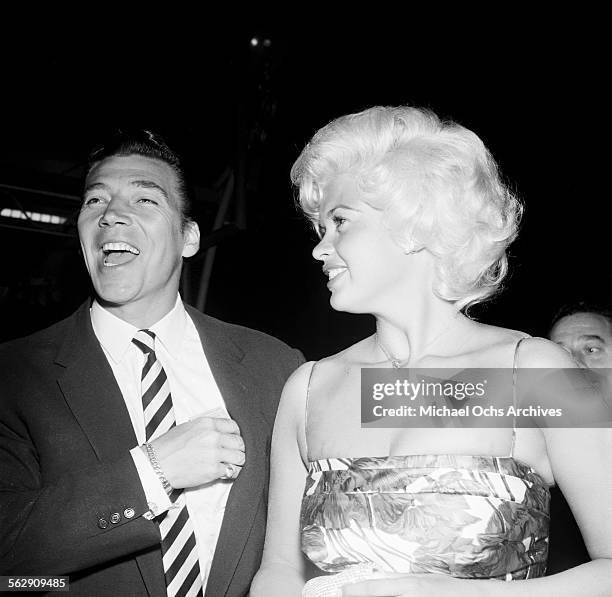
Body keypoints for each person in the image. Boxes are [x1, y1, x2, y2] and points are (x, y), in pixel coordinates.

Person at [251, 107, 612, 596]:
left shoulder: (535, 371)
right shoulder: (310, 388)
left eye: (340, 221)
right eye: (320, 229)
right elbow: (278, 572)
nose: (320, 248)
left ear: (415, 221)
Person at [0, 130, 304, 597]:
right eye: (95, 201)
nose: (111, 215)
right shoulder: (15, 375)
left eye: (144, 199)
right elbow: (9, 566)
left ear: (188, 238)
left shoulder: (275, 366)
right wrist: (151, 473)